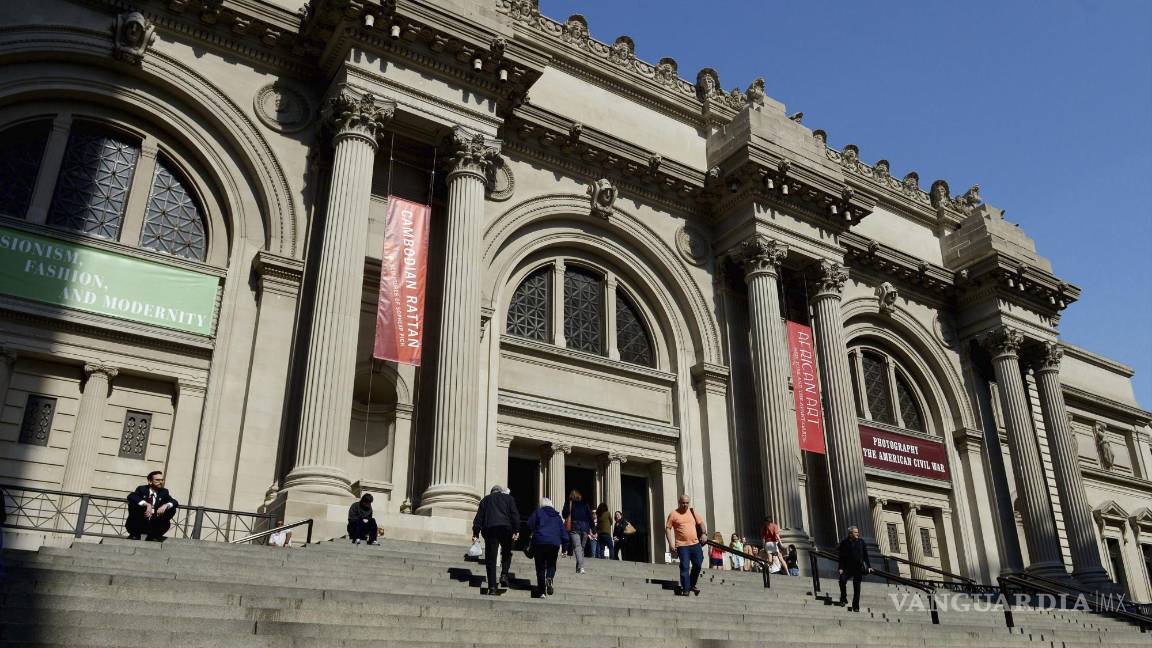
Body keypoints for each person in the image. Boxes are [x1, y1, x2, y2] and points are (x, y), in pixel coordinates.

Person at [472, 484, 521, 595]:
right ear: (500, 491)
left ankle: (492, 587)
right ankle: (504, 574)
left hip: (490, 529)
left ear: (492, 492)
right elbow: (515, 515)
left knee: (491, 559)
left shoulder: (485, 500)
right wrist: (516, 530)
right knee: (507, 552)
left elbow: (479, 518)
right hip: (505, 528)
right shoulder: (508, 498)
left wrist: (475, 533)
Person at [665, 494, 707, 596]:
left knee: (697, 564)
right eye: (683, 503)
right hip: (682, 545)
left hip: (695, 544)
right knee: (684, 566)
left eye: (687, 503)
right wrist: (671, 544)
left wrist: (704, 534)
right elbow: (668, 528)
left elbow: (701, 522)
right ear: (679, 502)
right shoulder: (673, 514)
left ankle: (691, 584)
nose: (685, 505)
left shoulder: (692, 512)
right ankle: (686, 589)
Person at [526, 496, 565, 598]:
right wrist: (565, 548)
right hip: (554, 543)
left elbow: (529, 524)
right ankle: (549, 577)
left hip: (540, 541)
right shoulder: (557, 517)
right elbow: (564, 533)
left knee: (540, 567)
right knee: (551, 564)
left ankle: (542, 591)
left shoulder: (538, 512)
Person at [125, 471, 178, 541]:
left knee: (171, 508)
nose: (161, 482)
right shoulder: (142, 489)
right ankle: (135, 534)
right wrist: (147, 504)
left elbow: (174, 502)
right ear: (150, 481)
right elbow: (131, 496)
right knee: (134, 504)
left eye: (162, 480)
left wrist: (165, 505)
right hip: (140, 520)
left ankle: (154, 535)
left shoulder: (164, 492)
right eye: (157, 480)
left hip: (155, 522)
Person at [837, 525, 873, 611]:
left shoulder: (861, 542)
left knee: (857, 588)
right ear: (850, 533)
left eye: (857, 532)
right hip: (847, 568)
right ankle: (843, 598)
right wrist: (840, 567)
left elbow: (865, 556)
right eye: (855, 532)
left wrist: (869, 567)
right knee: (842, 580)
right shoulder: (844, 543)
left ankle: (855, 606)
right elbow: (841, 556)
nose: (858, 534)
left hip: (858, 568)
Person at [561, 490, 593, 574]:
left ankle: (581, 567)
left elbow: (564, 514)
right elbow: (590, 516)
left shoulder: (569, 503)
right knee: (581, 548)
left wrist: (569, 509)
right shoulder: (585, 504)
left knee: (578, 547)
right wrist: (594, 529)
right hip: (585, 528)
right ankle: (578, 569)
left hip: (575, 527)